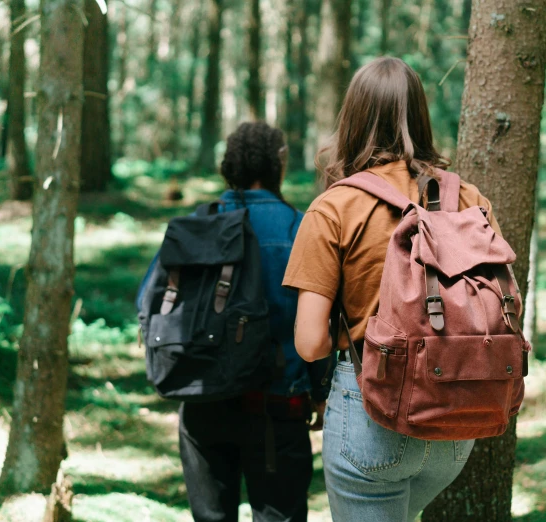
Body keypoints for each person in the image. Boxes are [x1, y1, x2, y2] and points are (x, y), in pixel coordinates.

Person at [282, 57, 505, 521]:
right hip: (457, 417)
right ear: (421, 116)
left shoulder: (334, 207)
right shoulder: (471, 199)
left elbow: (309, 344)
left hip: (372, 413)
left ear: (353, 119)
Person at [139, 122, 331, 522]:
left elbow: (147, 301)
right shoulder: (298, 228)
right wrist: (320, 389)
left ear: (229, 165)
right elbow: (316, 319)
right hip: (277, 403)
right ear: (278, 164)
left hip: (202, 398)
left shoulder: (197, 223)